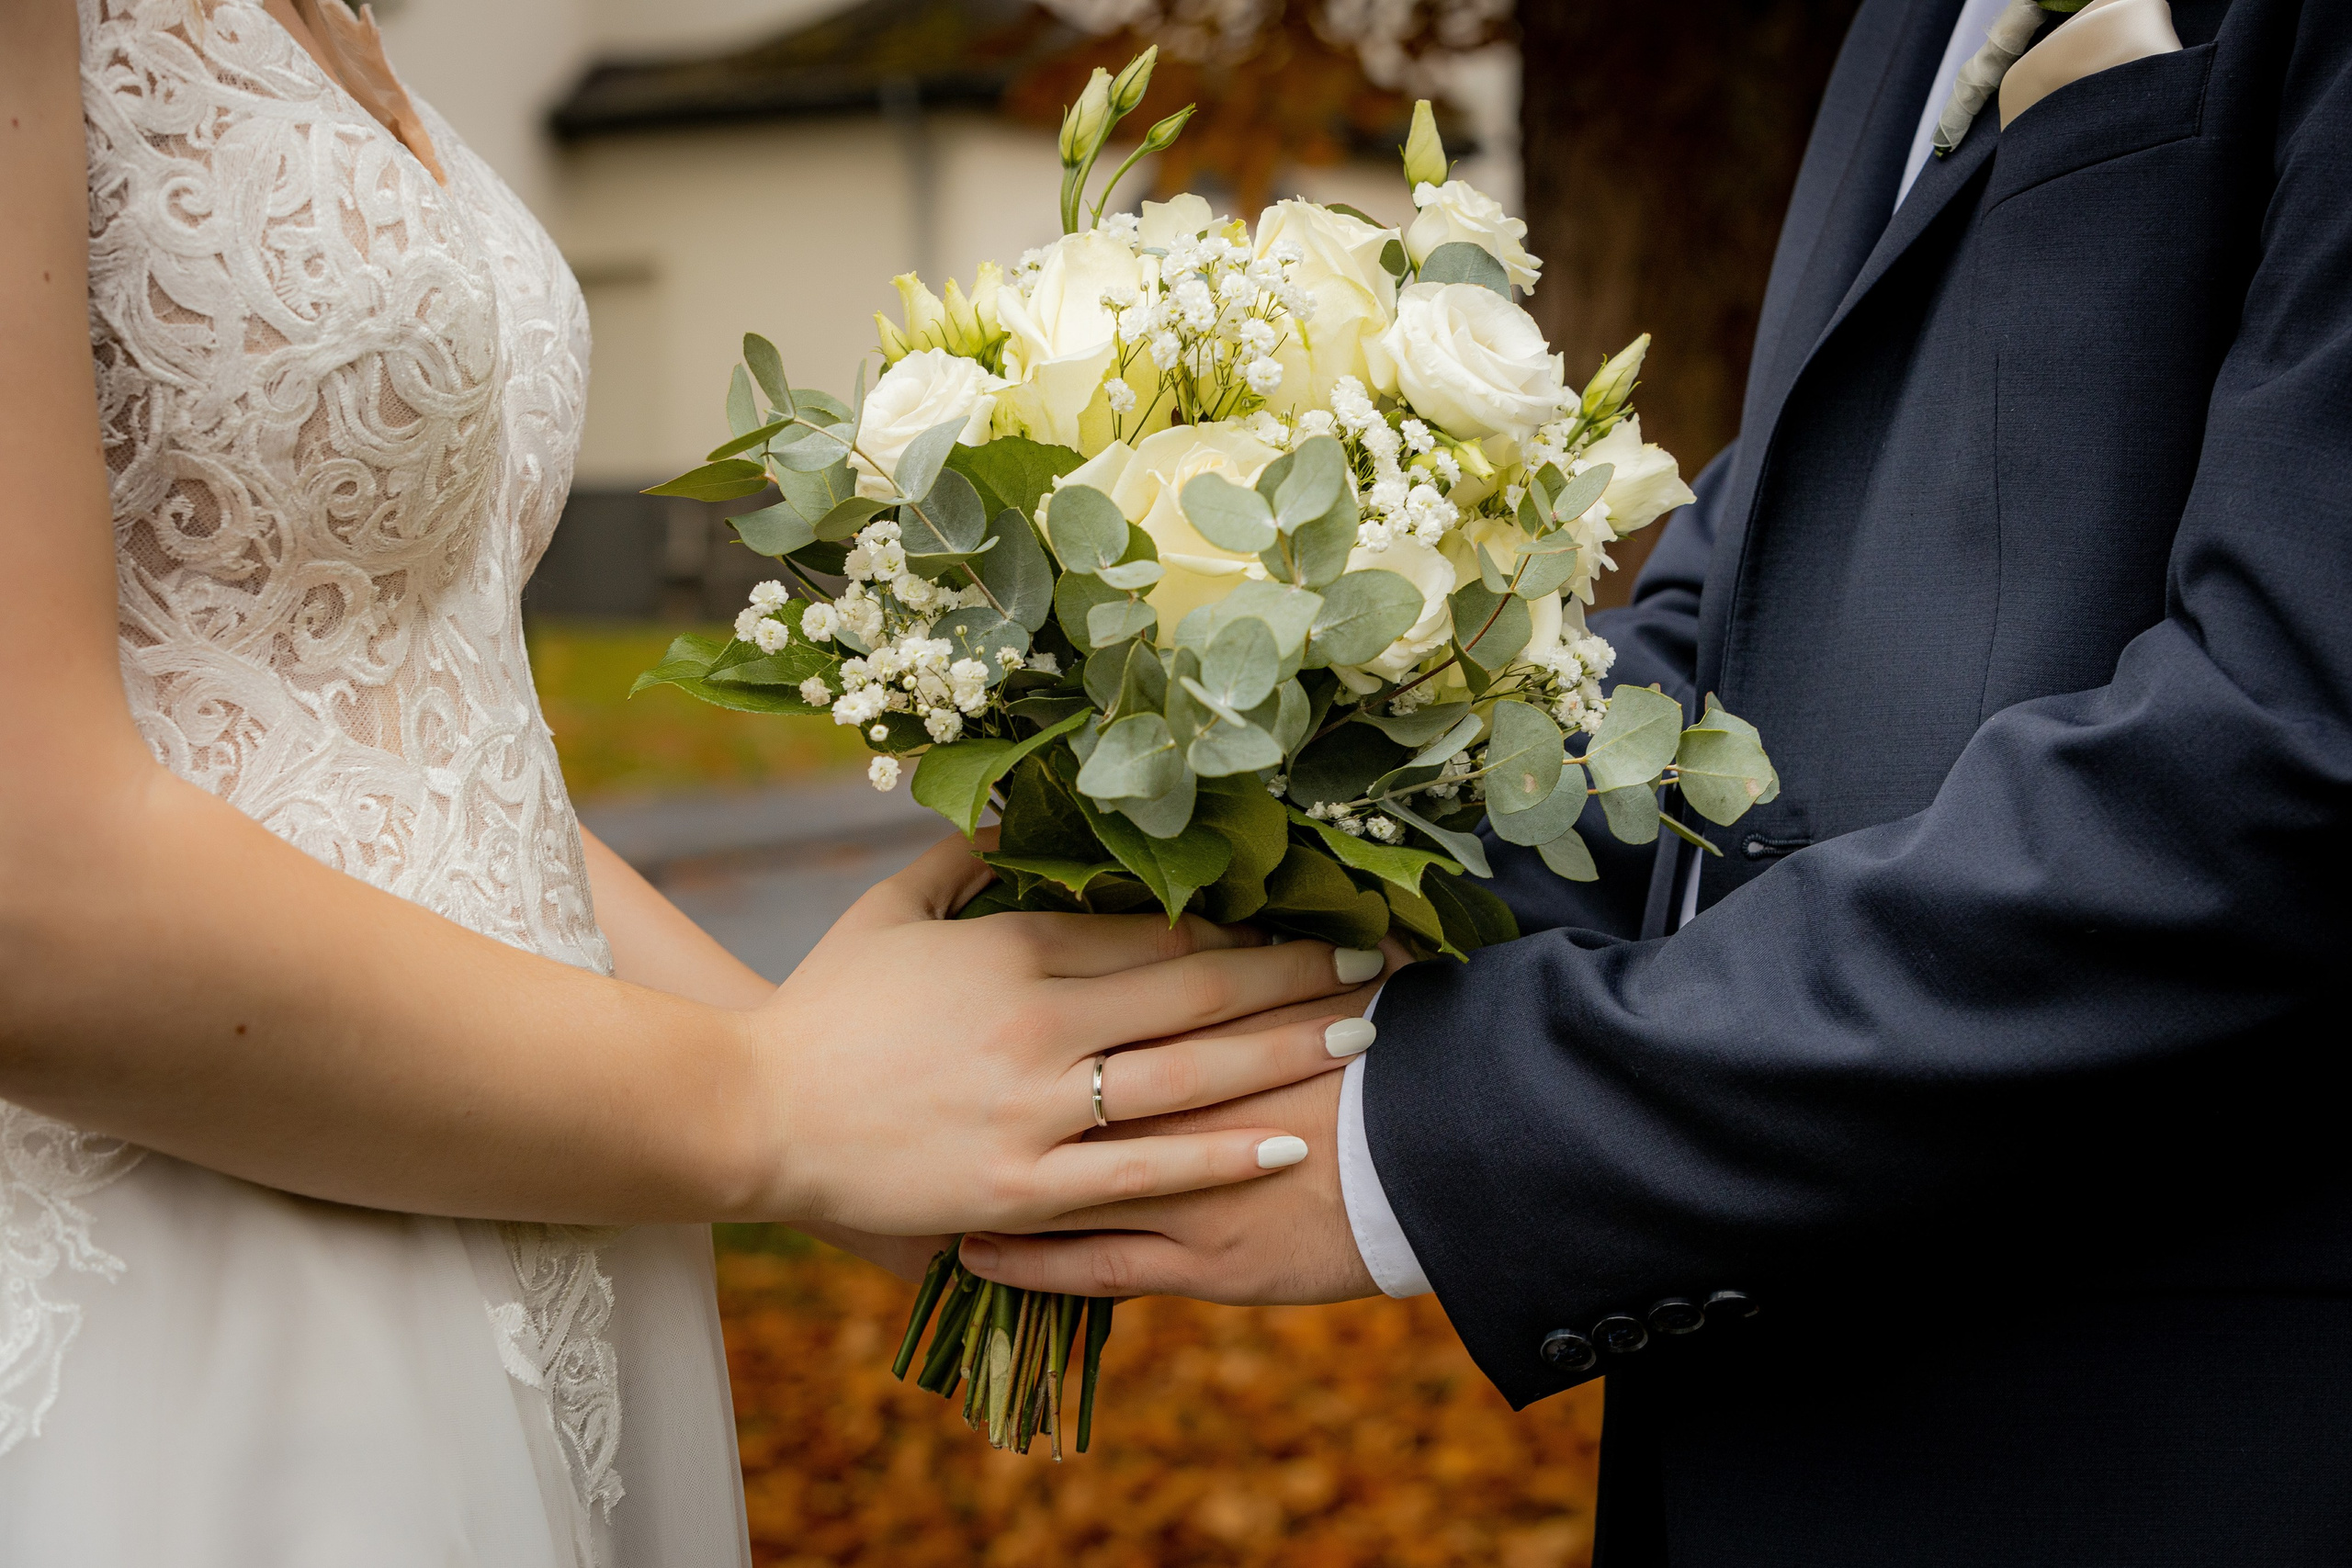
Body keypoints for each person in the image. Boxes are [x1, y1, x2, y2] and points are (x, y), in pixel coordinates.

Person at [963, 0, 2352, 1562]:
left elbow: (2286, 764)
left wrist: (1428, 1137)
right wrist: (1237, 812)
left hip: (2152, 1449)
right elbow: (1737, 626)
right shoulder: (1895, 28)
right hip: (1753, 1432)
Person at [0, 3, 1387, 1562]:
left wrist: (874, 1128)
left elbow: (416, 755)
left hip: (547, 1156)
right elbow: (27, 890)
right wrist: (766, 1105)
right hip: (203, 1261)